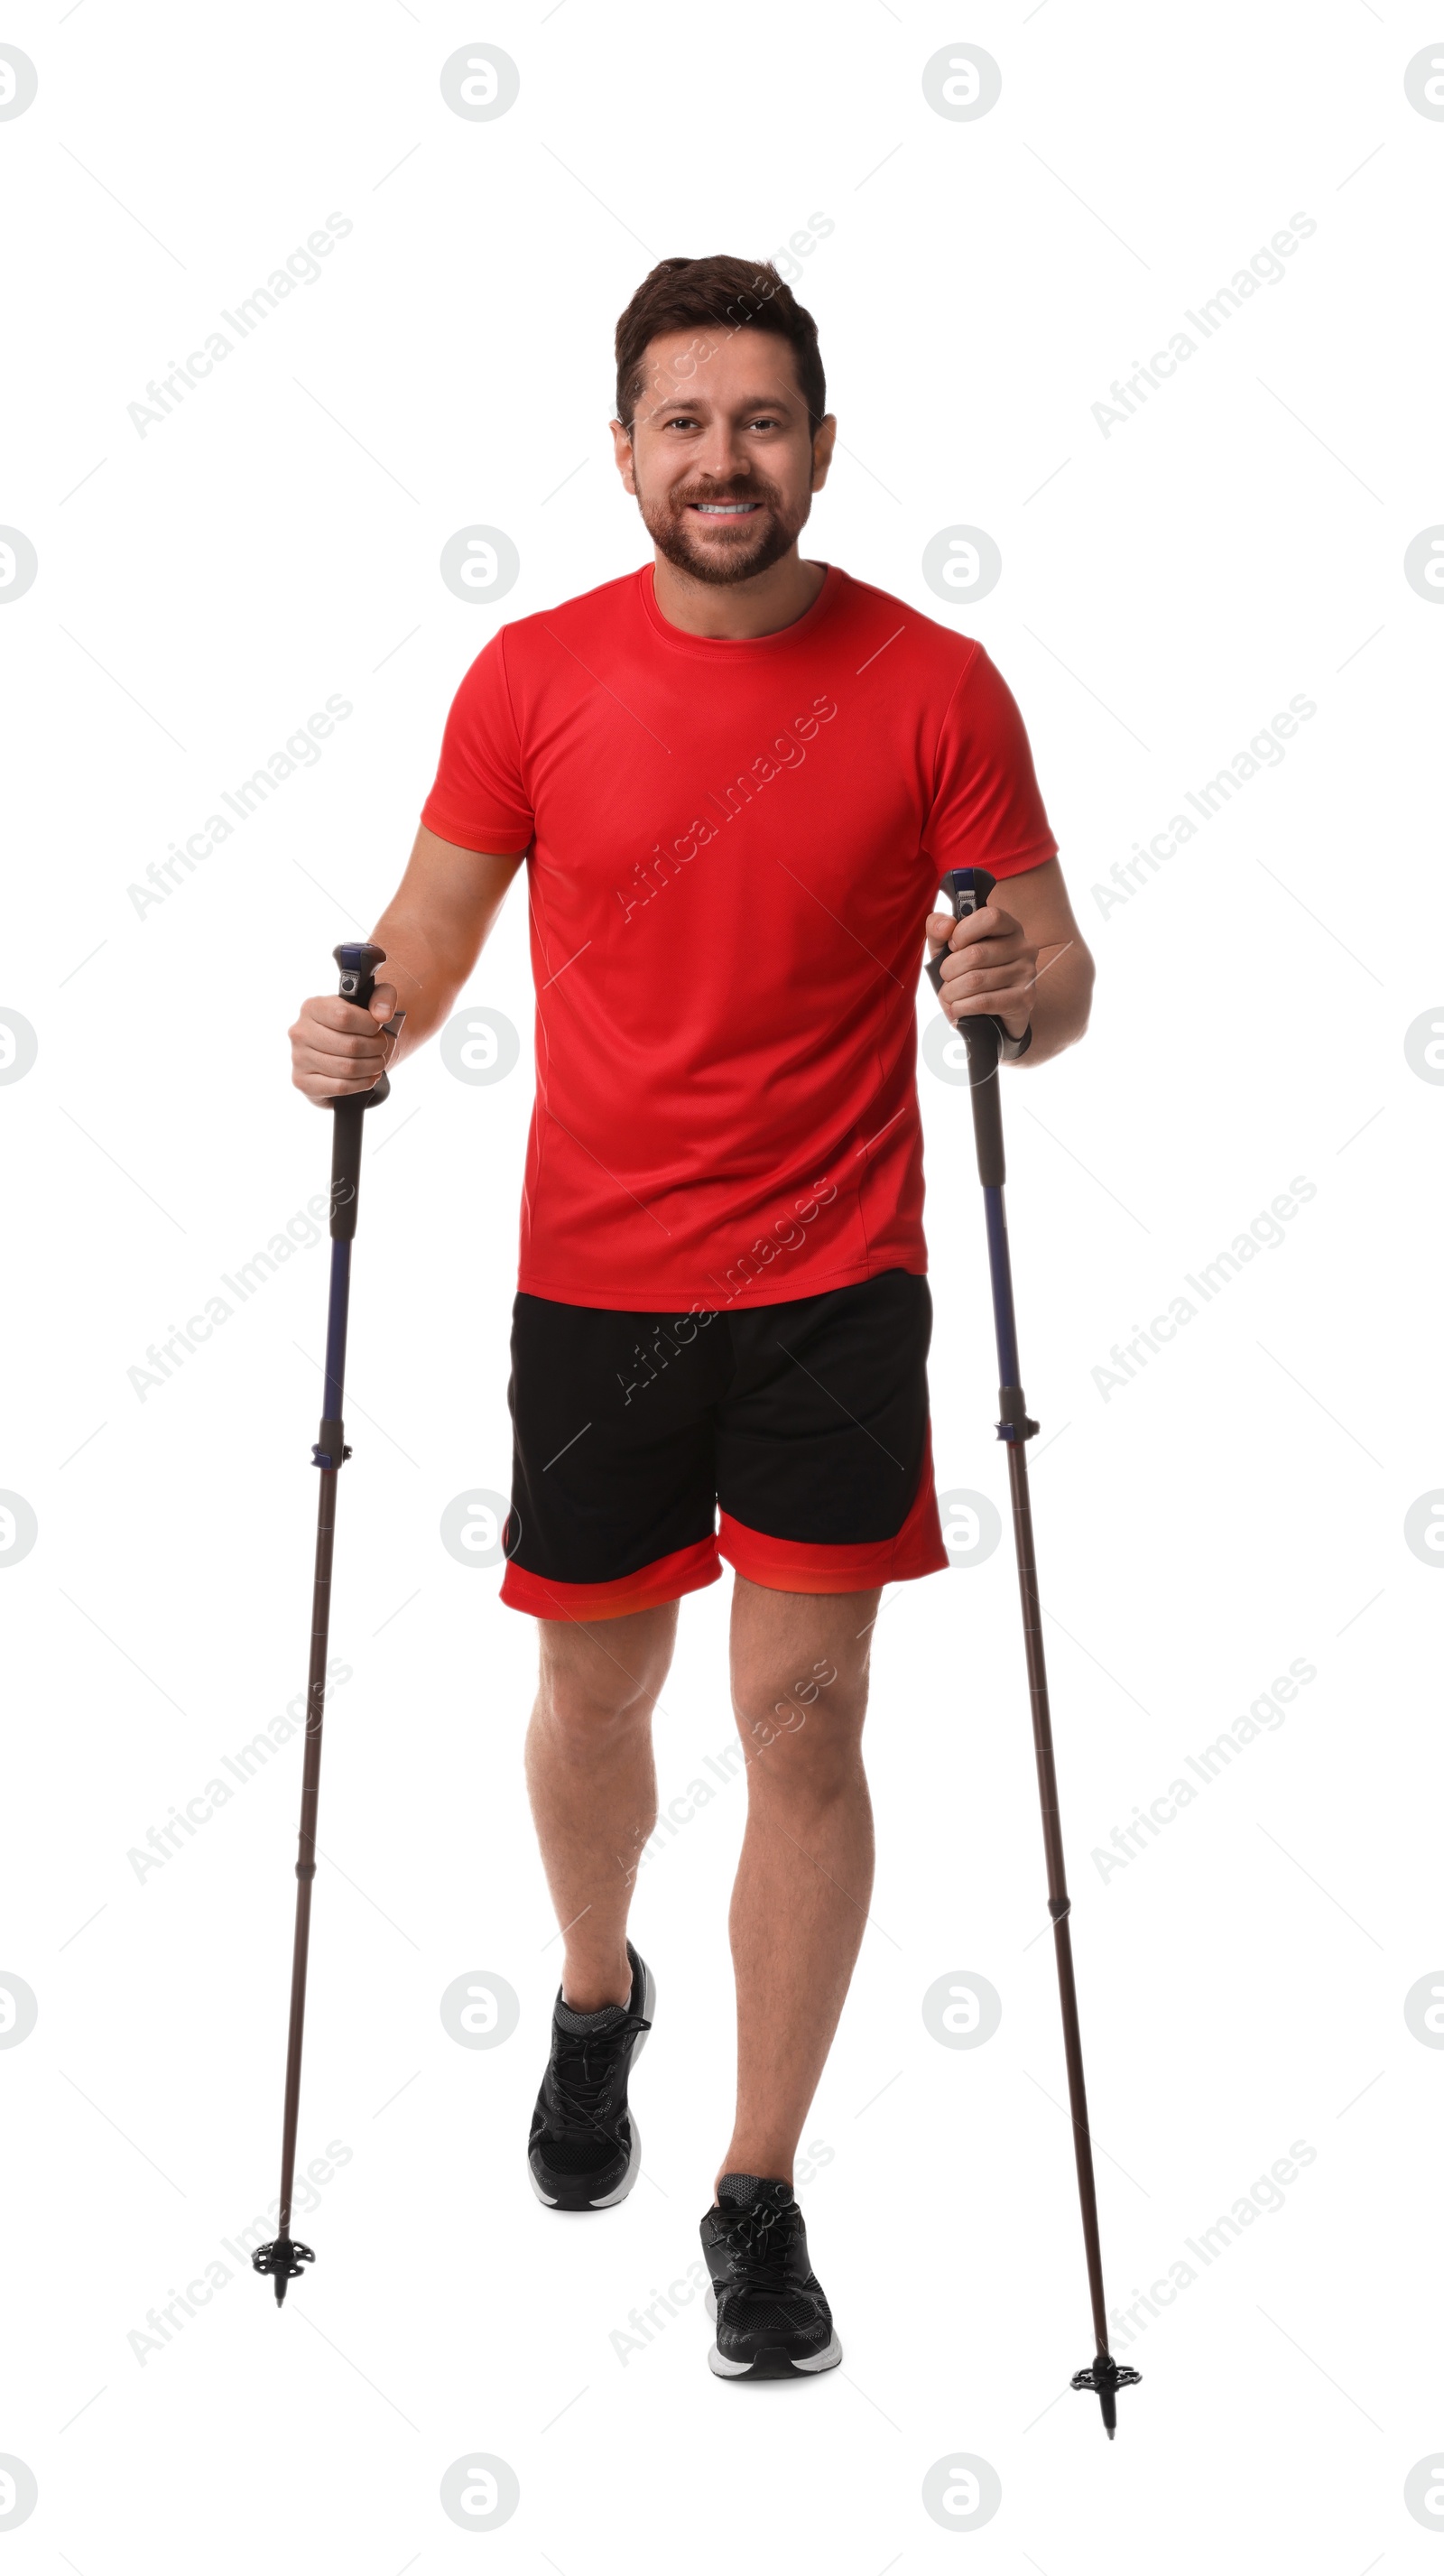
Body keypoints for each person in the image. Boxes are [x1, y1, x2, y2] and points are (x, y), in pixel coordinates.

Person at [290, 253, 1094, 2380]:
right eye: (682, 421)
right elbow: (436, 926)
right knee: (593, 1697)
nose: (720, 460)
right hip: (599, 1285)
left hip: (840, 1280)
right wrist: (363, 1026)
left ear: (819, 449)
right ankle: (589, 1991)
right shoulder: (532, 676)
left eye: (759, 423)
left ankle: (755, 2191)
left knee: (806, 1720)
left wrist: (1019, 986)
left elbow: (1058, 967)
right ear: (626, 445)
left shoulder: (935, 682)